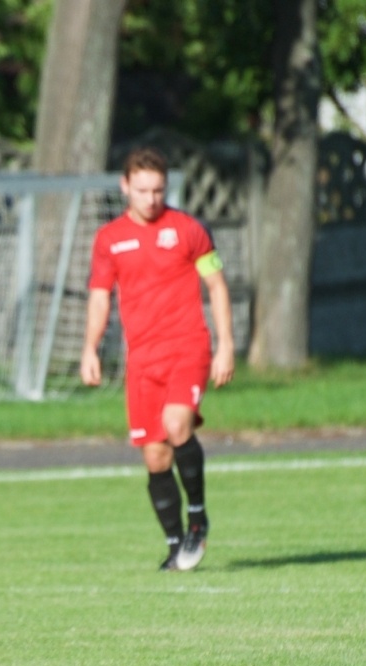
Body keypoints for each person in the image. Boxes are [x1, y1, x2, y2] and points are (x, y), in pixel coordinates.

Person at [80, 147, 235, 571]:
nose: (151, 198)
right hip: (142, 360)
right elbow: (99, 298)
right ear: (125, 186)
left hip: (189, 346)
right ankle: (174, 544)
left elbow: (217, 287)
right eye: (143, 189)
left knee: (176, 424)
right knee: (155, 456)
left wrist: (226, 345)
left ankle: (198, 516)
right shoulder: (109, 239)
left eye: (159, 190)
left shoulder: (188, 230)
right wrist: (90, 347)